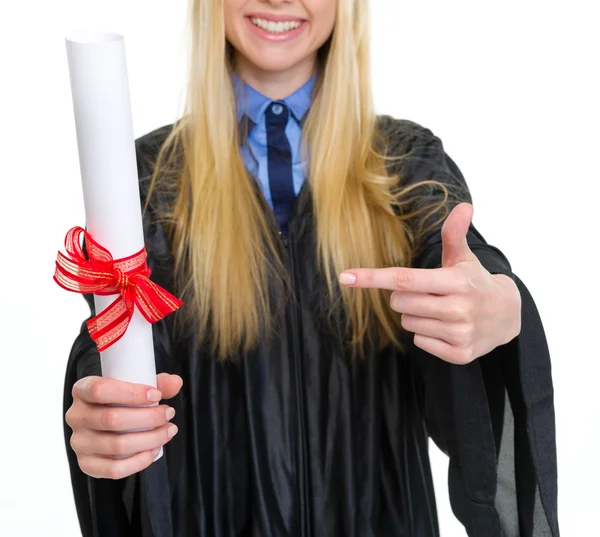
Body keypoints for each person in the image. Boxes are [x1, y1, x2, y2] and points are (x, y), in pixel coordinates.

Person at [62, 1, 559, 536]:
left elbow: (460, 270)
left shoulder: (404, 166)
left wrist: (499, 310)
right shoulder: (149, 179)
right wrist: (107, 406)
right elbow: (121, 327)